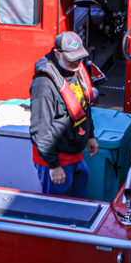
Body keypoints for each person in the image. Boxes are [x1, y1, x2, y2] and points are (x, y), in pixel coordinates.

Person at [29, 32, 98, 197]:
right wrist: (53, 165)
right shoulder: (43, 85)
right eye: (71, 59)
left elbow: (83, 106)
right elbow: (40, 129)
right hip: (57, 162)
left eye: (79, 58)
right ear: (57, 53)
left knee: (78, 204)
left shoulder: (76, 70)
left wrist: (90, 135)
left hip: (75, 155)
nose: (76, 62)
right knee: (58, 210)